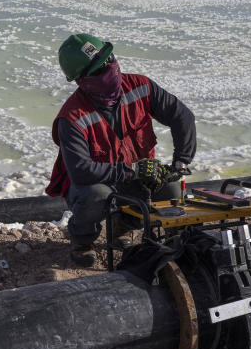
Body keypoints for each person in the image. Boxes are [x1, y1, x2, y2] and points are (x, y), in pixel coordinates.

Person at [46, 33, 196, 266]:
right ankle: (82, 241)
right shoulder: (72, 117)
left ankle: (123, 227)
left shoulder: (141, 86)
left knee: (172, 190)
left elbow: (182, 116)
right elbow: (81, 171)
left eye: (110, 60)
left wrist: (180, 162)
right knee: (95, 196)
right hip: (93, 182)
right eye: (99, 69)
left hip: (135, 175)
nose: (110, 69)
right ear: (81, 80)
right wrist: (132, 170)